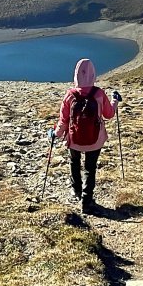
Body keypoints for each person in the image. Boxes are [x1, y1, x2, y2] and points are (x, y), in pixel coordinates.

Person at [47, 58, 118, 213]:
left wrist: (55, 134)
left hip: (74, 139)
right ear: (93, 74)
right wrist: (114, 101)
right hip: (95, 140)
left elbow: (63, 120)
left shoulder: (70, 95)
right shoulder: (99, 94)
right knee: (90, 168)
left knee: (74, 162)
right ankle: (87, 201)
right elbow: (109, 114)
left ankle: (76, 190)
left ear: (76, 75)